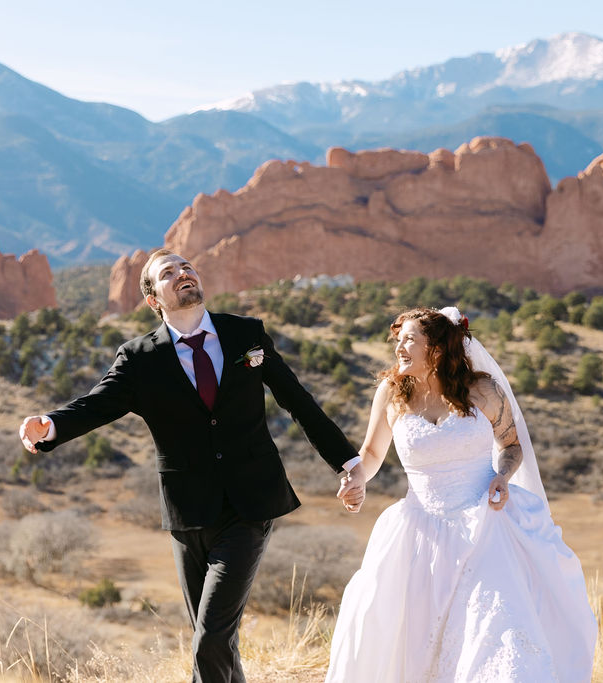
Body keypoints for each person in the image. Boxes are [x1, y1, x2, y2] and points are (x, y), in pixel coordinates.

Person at [18, 249, 365, 683]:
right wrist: (48, 425)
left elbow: (298, 402)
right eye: (168, 273)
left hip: (248, 506)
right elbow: (96, 405)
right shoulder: (139, 358)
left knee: (210, 640)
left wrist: (347, 462)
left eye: (187, 267)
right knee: (216, 638)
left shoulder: (246, 335)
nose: (183, 273)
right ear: (153, 299)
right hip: (187, 513)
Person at [326, 307, 596, 683]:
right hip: (418, 535)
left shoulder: (483, 391)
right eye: (398, 339)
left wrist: (502, 476)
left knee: (495, 631)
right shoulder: (391, 393)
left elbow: (511, 446)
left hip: (487, 526)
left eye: (410, 340)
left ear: (437, 349)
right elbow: (371, 455)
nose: (399, 347)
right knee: (414, 641)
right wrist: (357, 480)